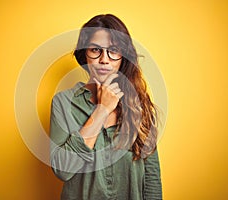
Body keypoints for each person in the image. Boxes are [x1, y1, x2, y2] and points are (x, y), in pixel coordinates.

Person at [50, 14, 162, 200]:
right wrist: (102, 110)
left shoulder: (138, 105)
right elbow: (63, 170)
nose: (104, 59)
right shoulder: (62, 102)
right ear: (85, 54)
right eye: (95, 49)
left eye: (114, 50)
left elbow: (151, 178)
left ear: (122, 57)